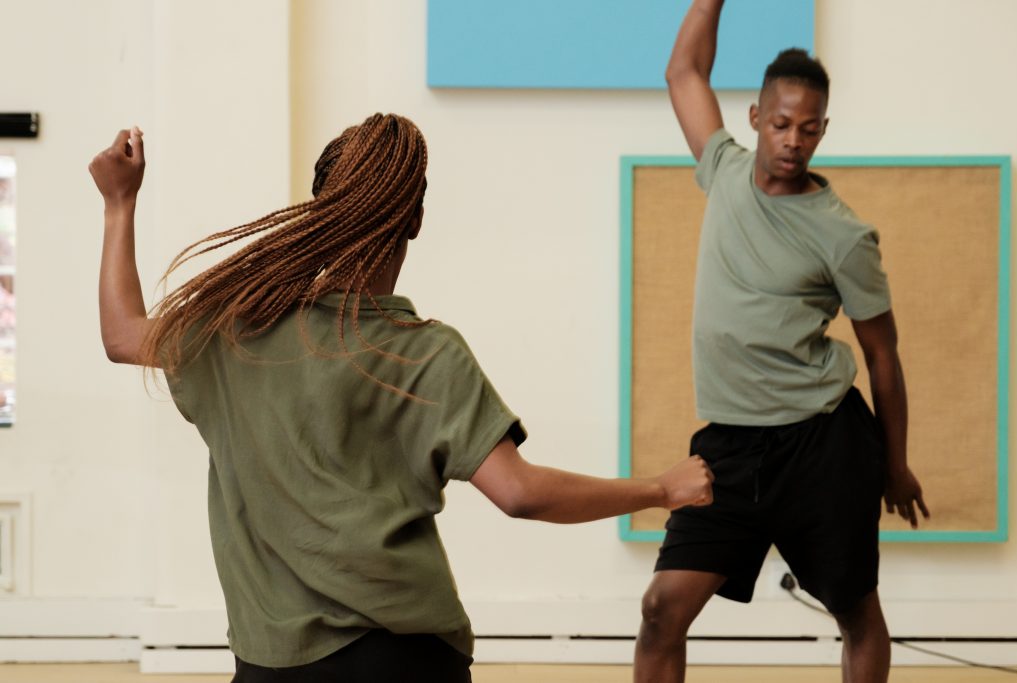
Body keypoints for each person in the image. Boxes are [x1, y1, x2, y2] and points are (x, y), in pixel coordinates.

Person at [89, 115, 715, 683]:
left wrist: (120, 203)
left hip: (274, 666)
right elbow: (520, 493)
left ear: (318, 208)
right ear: (416, 219)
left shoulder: (238, 331)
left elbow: (122, 336)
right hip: (410, 661)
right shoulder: (427, 353)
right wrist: (661, 489)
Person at [633, 3, 930, 682]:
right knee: (660, 610)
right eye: (781, 124)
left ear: (823, 129)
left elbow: (882, 355)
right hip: (730, 448)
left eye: (809, 128)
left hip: (822, 444)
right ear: (755, 118)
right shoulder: (723, 169)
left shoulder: (844, 235)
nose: (793, 140)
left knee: (856, 615)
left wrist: (896, 463)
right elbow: (683, 71)